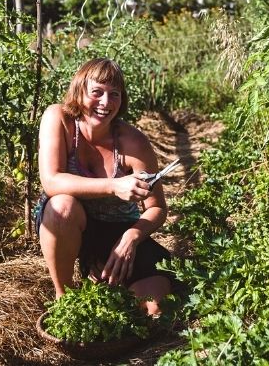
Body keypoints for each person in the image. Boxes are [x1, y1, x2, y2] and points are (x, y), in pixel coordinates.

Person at [35, 57, 172, 316]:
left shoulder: (134, 143)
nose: (105, 103)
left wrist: (130, 238)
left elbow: (157, 208)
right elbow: (51, 181)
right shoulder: (59, 119)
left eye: (114, 95)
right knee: (61, 205)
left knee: (154, 307)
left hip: (118, 231)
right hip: (72, 224)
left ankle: (106, 289)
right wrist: (114, 186)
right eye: (96, 92)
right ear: (78, 92)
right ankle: (65, 300)